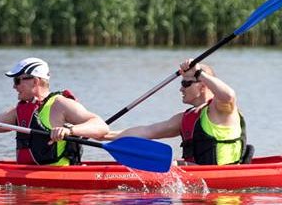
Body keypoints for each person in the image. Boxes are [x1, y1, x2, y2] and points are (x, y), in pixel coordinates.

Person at [0, 57, 108, 166]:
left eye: (18, 81)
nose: (14, 86)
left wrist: (70, 130)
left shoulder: (61, 104)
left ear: (35, 81)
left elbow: (100, 126)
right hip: (26, 172)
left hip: (59, 182)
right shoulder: (19, 111)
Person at [103, 59, 249, 166]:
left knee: (173, 165)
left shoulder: (222, 110)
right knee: (173, 164)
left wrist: (199, 73)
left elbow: (229, 95)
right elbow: (147, 131)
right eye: (181, 83)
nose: (181, 89)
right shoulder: (184, 118)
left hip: (221, 181)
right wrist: (103, 135)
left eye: (186, 83)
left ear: (202, 86)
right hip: (198, 177)